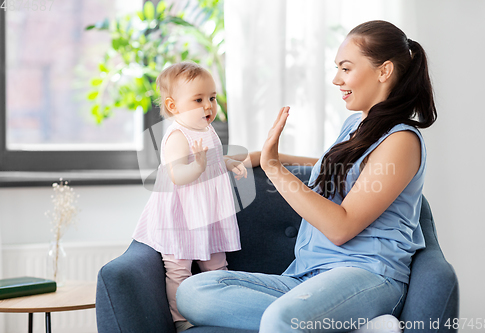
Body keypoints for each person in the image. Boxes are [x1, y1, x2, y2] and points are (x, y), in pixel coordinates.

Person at [176, 20, 437, 332]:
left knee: (280, 319)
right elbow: (327, 166)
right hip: (305, 276)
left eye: (346, 68)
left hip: (367, 275)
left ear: (384, 71)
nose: (336, 79)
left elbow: (341, 227)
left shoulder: (401, 141)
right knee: (193, 293)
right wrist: (260, 156)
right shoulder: (356, 125)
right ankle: (344, 326)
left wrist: (275, 168)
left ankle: (317, 321)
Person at [132, 62, 247, 332]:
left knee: (217, 266)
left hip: (208, 213)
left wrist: (229, 163)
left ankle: (219, 310)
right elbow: (177, 176)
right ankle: (181, 318)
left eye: (212, 98)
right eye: (198, 99)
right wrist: (197, 165)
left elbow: (214, 159)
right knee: (179, 270)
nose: (208, 106)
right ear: (174, 107)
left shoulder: (206, 130)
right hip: (181, 215)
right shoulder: (177, 136)